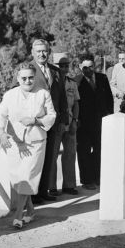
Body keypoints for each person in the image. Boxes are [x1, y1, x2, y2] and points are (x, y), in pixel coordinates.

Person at [0, 63, 56, 229]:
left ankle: (18, 216)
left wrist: (35, 121)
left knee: (27, 177)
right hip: (15, 143)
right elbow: (2, 115)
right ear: (17, 78)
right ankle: (30, 211)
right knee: (18, 179)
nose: (28, 81)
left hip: (35, 142)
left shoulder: (43, 93)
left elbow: (52, 116)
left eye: (31, 77)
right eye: (24, 78)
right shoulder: (9, 95)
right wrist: (1, 132)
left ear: (35, 77)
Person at [30, 39, 68, 203]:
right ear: (32, 52)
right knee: (35, 158)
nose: (41, 54)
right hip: (35, 123)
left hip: (54, 122)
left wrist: (63, 119)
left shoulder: (57, 71)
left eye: (44, 51)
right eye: (38, 51)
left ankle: (44, 191)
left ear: (49, 52)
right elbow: (15, 91)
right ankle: (33, 194)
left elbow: (62, 96)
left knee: (49, 158)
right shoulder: (27, 70)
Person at [76, 53, 114, 189]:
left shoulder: (102, 78)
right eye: (85, 67)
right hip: (83, 123)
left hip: (100, 121)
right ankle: (87, 180)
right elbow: (75, 104)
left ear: (94, 65)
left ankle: (98, 177)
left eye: (91, 67)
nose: (88, 70)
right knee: (84, 151)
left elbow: (109, 98)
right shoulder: (76, 81)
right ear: (80, 67)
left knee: (99, 150)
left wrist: (110, 116)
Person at [49, 55, 81, 195]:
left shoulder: (71, 83)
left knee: (70, 154)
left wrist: (75, 120)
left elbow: (76, 103)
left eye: (66, 65)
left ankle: (69, 185)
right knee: (52, 155)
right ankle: (52, 187)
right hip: (55, 124)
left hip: (69, 123)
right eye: (60, 66)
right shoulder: (51, 82)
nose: (63, 68)